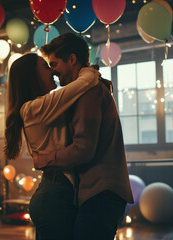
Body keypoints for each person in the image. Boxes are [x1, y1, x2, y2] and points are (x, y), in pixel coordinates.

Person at [34, 33, 134, 240]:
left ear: (72, 59)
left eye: (54, 64)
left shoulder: (88, 91)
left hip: (101, 192)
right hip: (98, 192)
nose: (52, 71)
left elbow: (83, 149)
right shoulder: (88, 88)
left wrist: (44, 160)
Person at [4, 53, 100, 240]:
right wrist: (86, 68)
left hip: (54, 193)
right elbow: (87, 80)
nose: (53, 70)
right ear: (32, 76)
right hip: (55, 196)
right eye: (46, 67)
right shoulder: (34, 107)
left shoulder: (42, 106)